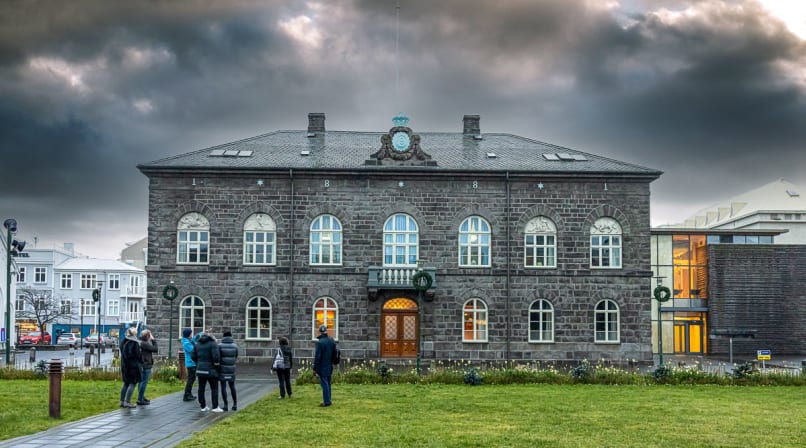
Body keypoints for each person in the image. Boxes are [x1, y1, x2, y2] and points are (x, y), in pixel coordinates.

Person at [191, 329, 222, 412]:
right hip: (211, 369)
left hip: (200, 369)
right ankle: (215, 407)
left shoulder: (197, 344)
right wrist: (217, 365)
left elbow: (193, 356)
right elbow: (216, 357)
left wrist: (199, 363)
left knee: (201, 388)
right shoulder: (213, 344)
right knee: (214, 388)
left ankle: (203, 406)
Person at [313, 325, 336, 407]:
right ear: (326, 331)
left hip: (322, 366)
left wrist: (315, 368)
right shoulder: (331, 340)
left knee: (324, 384)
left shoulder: (320, 342)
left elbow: (318, 357)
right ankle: (329, 399)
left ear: (320, 331)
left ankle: (326, 401)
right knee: (328, 383)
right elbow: (335, 353)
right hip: (329, 364)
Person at [119, 327, 142, 408]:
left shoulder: (124, 341)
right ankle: (127, 402)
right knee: (132, 383)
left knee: (126, 383)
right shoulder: (134, 343)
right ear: (134, 334)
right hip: (133, 366)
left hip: (125, 365)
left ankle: (122, 401)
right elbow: (138, 355)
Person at [218, 330, 239, 411]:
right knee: (232, 386)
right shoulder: (235, 346)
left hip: (222, 369)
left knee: (223, 387)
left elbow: (218, 357)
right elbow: (236, 356)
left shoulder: (219, 346)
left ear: (223, 336)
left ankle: (225, 405)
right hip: (231, 369)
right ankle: (235, 404)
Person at [137, 329, 157, 405]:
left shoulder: (139, 341)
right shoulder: (144, 343)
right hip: (146, 364)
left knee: (141, 382)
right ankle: (140, 399)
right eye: (150, 335)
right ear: (148, 336)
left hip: (142, 364)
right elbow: (155, 349)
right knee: (143, 382)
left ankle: (141, 397)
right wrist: (153, 340)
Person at [181, 329, 197, 402]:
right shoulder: (186, 343)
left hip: (192, 363)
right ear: (188, 335)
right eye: (191, 333)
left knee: (192, 379)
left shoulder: (188, 341)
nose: (192, 335)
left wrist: (204, 332)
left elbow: (194, 338)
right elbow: (193, 350)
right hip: (191, 363)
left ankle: (189, 394)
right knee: (190, 380)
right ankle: (186, 395)